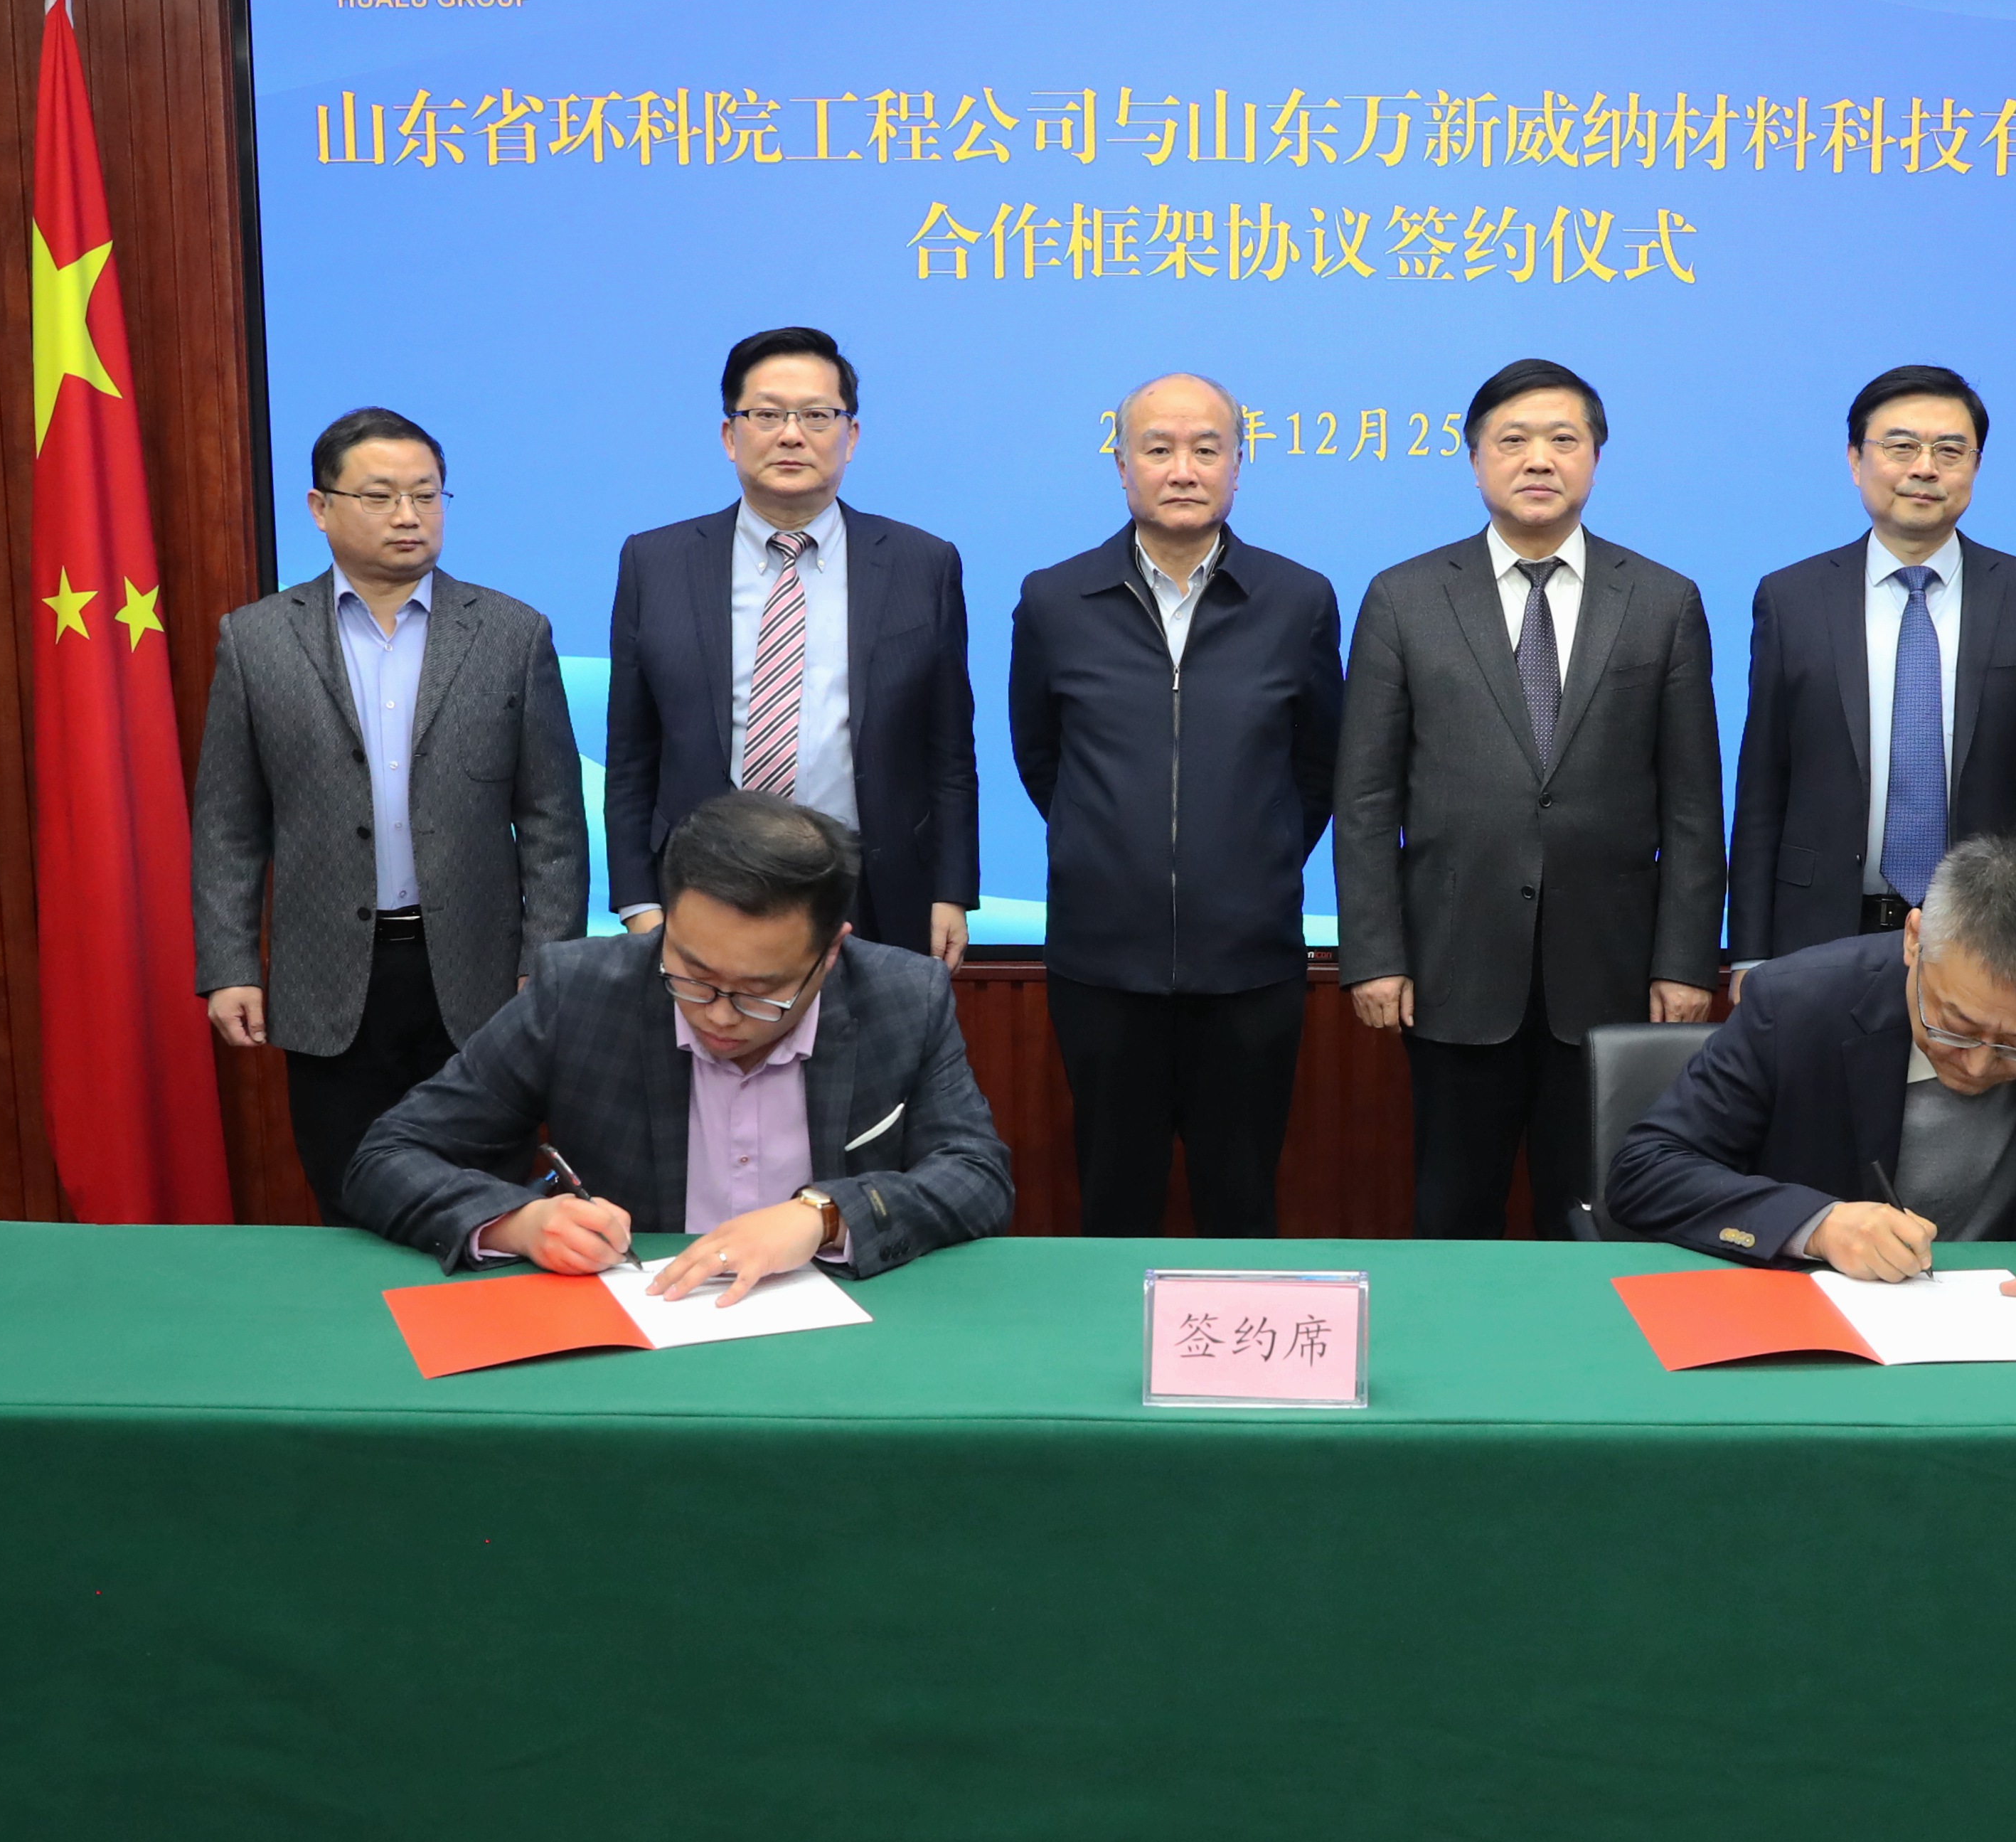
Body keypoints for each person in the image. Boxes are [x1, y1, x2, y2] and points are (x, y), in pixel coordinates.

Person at [1334, 358, 1727, 1240]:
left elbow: (1693, 806)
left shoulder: (1662, 601)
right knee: (1451, 1210)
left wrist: (1682, 961)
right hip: (1450, 968)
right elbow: (1363, 798)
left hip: (1610, 969)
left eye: (1562, 439)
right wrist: (1373, 954)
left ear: (1595, 458)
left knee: (1593, 1214)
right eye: (1512, 440)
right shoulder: (1403, 597)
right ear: (1475, 458)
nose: (1538, 459)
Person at [348, 792, 1012, 1294]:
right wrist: (516, 1223)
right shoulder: (579, 991)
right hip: (638, 1322)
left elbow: (976, 1176)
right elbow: (387, 1156)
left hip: (836, 1326)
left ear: (831, 952)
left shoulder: (903, 996)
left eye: (759, 992)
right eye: (692, 975)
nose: (719, 1015)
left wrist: (824, 1216)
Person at [191, 405, 586, 1220]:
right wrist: (230, 964)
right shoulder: (256, 641)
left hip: (479, 976)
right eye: (379, 496)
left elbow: (552, 819)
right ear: (320, 507)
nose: (408, 515)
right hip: (331, 974)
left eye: (426, 494)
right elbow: (229, 824)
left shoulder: (511, 634)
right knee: (349, 1198)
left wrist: (546, 961)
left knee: (492, 1199)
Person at [1608, 835, 2016, 1331]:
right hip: (1817, 1322)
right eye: (1955, 1026)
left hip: (2015, 1325)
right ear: (1914, 942)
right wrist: (1817, 1225)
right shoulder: (1796, 1004)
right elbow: (1647, 1169)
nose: (1979, 1065)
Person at [1010, 373, 1345, 1237]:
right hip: (1100, 964)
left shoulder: (1297, 600)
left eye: (1206, 448)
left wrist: (1254, 857)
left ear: (1238, 463)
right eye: (1157, 448)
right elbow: (1042, 759)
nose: (1183, 469)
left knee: (1242, 1204)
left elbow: (1317, 766)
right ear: (1121, 465)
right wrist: (1107, 849)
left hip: (1250, 967)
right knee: (1113, 1202)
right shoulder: (1054, 599)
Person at [604, 326, 979, 967]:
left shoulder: (922, 563)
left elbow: (948, 752)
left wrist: (951, 891)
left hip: (873, 884)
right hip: (704, 882)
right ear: (730, 436)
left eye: (816, 415)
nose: (790, 434)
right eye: (767, 414)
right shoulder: (655, 562)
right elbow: (632, 755)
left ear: (850, 437)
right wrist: (638, 900)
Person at [1729, 364, 2016, 969]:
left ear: (1975, 466)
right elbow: (1762, 791)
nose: (1925, 468)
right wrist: (1749, 957)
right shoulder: (1792, 600)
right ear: (1855, 460)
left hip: (1984, 940)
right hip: (1815, 934)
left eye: (1950, 451)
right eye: (1901, 447)